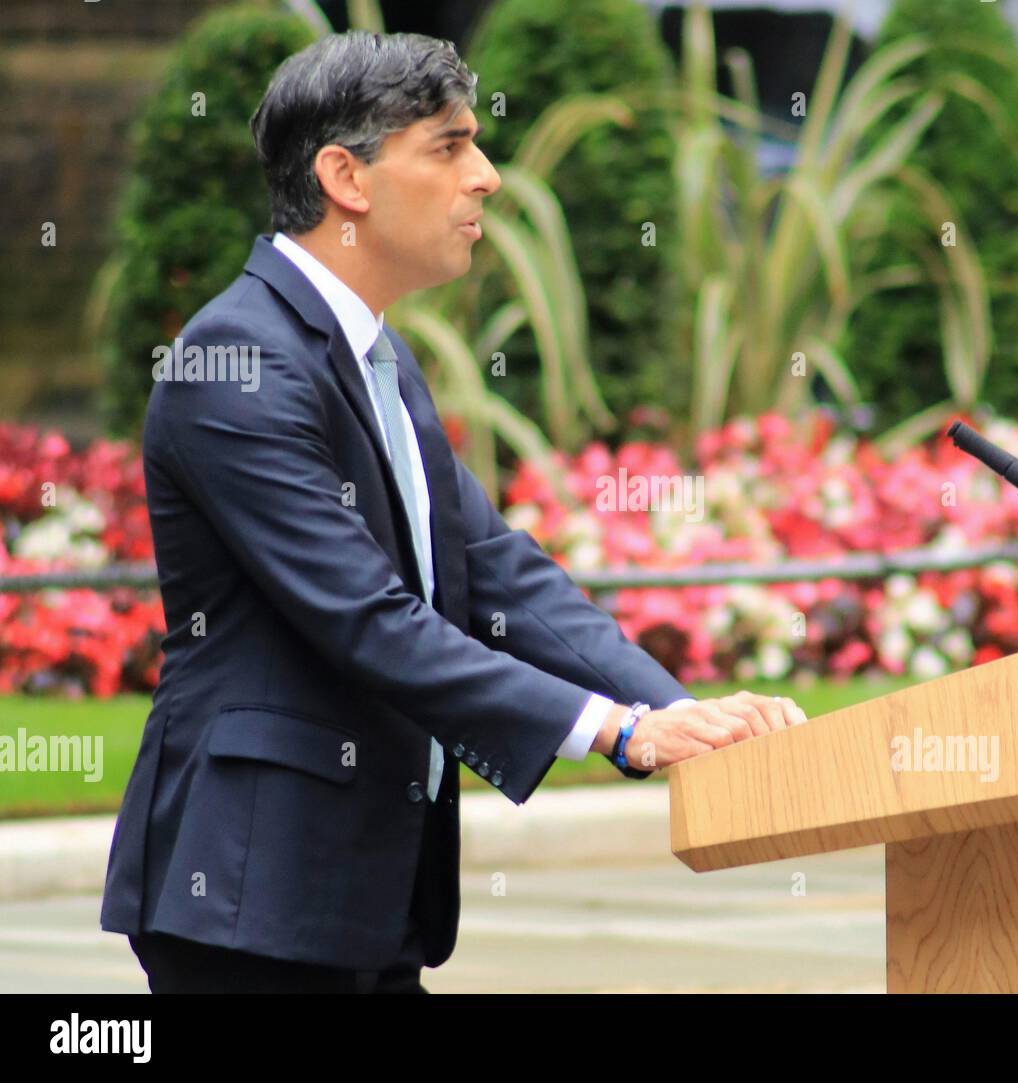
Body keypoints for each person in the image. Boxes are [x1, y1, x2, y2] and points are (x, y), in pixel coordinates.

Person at [99, 30, 807, 994]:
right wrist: (616, 730)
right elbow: (368, 618)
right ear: (346, 177)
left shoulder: (377, 356)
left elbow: (494, 569)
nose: (487, 178)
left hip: (360, 901)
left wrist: (673, 709)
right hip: (248, 903)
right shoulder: (239, 363)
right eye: (448, 145)